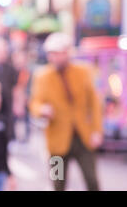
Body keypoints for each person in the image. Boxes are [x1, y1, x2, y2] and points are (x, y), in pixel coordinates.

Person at [29, 32, 103, 191]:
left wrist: (97, 131)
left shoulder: (83, 72)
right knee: (58, 183)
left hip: (83, 136)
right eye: (52, 54)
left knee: (92, 181)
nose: (54, 58)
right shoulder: (42, 76)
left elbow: (95, 104)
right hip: (56, 141)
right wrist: (41, 109)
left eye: (58, 53)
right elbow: (35, 103)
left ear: (67, 52)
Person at [0, 37, 19, 141]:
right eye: (0, 51)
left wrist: (17, 104)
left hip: (7, 103)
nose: (2, 54)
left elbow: (16, 87)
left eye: (4, 51)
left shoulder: (10, 68)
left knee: (7, 131)